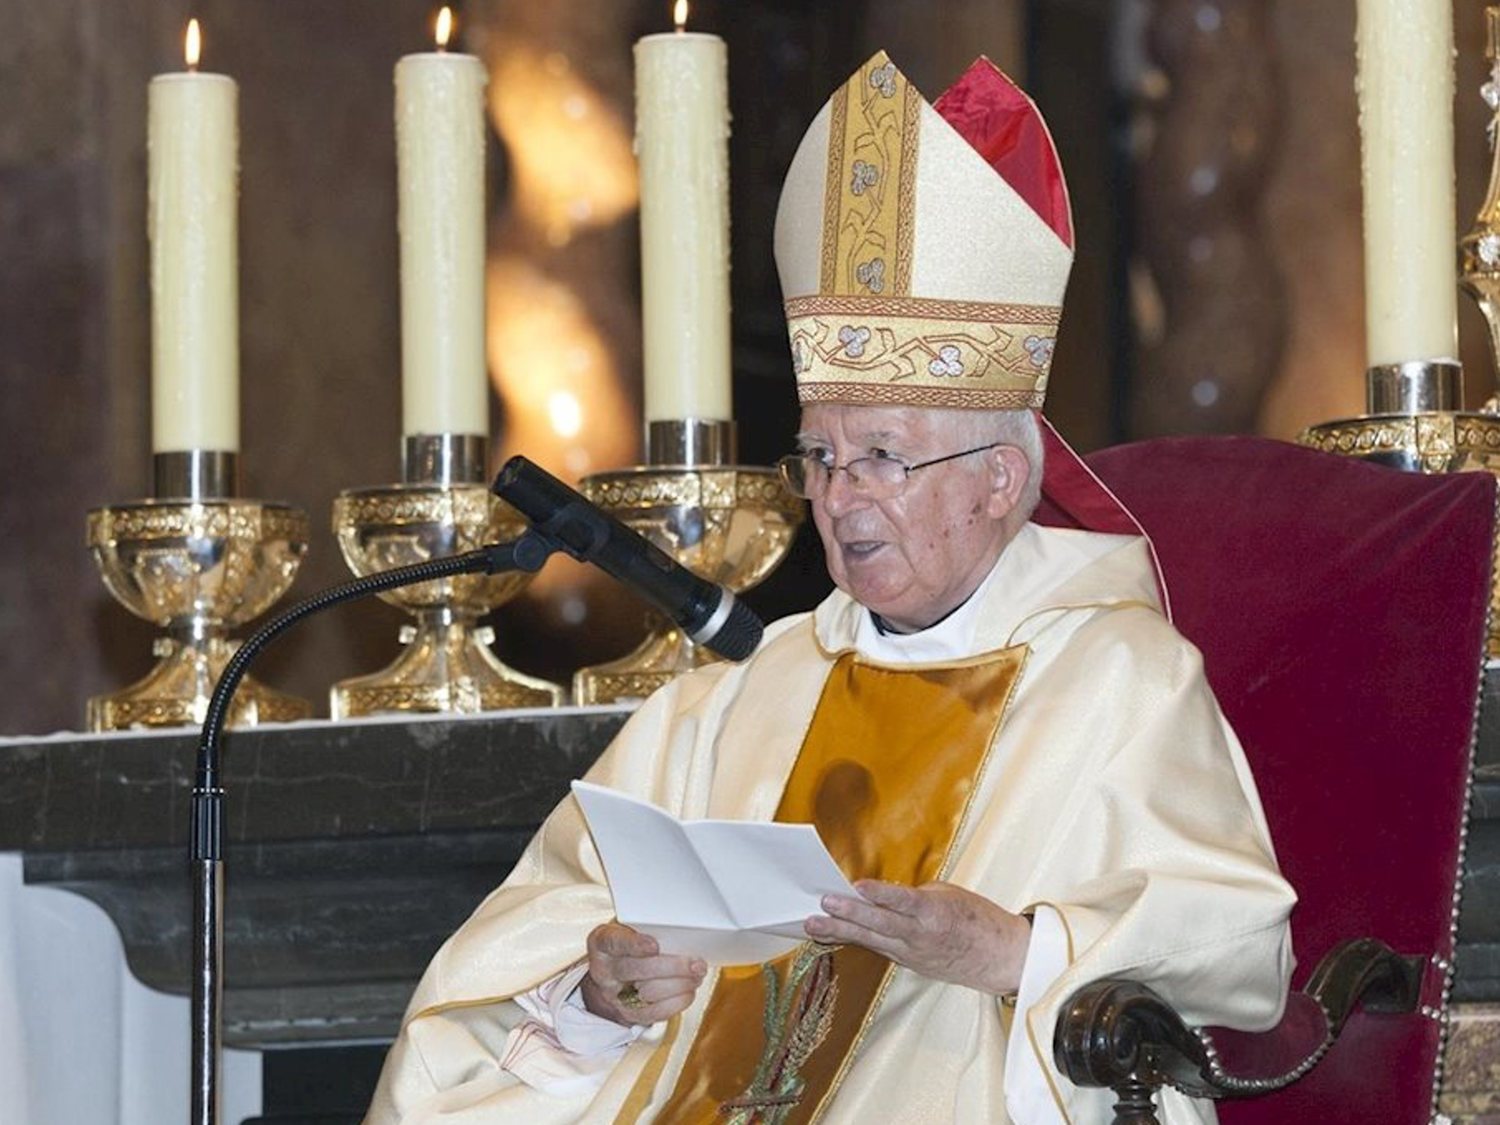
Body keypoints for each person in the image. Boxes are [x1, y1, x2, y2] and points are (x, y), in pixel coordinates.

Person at [366, 52, 1295, 1125]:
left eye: (886, 458)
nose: (842, 497)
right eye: (819, 456)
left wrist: (1012, 950)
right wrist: (599, 997)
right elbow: (511, 970)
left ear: (1000, 479)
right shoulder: (735, 699)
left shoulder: (1117, 679)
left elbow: (1236, 950)